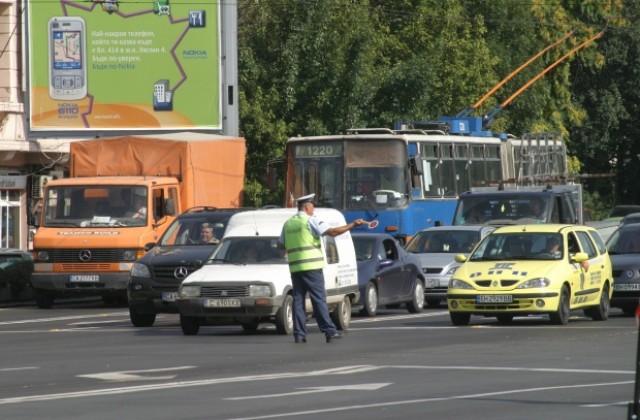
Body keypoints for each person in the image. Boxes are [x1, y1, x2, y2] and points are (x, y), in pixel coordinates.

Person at [279, 193, 366, 344]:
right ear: (307, 207)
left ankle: (299, 335)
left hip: (295, 267)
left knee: (298, 301)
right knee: (318, 299)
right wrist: (352, 225)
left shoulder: (288, 224)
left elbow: (281, 245)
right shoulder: (310, 220)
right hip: (312, 266)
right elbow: (332, 232)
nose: (314, 208)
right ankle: (329, 331)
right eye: (313, 205)